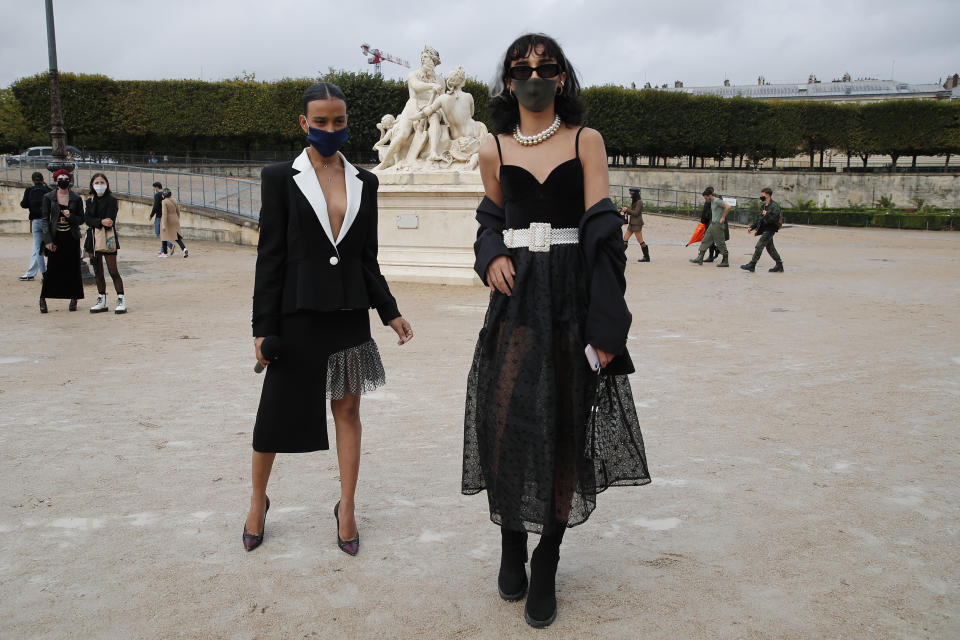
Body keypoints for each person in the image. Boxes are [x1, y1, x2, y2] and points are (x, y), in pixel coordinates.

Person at [463, 34, 650, 629]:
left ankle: (547, 560)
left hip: (569, 295)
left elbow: (600, 230)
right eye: (523, 68)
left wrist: (607, 323)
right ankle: (512, 539)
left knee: (566, 423)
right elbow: (490, 215)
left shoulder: (586, 140)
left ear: (562, 78)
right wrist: (490, 252)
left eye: (546, 67)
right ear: (509, 80)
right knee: (504, 416)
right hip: (516, 302)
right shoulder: (492, 147)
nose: (534, 76)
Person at [246, 82, 414, 556]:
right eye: (320, 122)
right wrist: (262, 328)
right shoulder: (279, 177)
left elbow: (366, 258)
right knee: (274, 415)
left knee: (348, 412)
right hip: (295, 316)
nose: (329, 129)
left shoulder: (366, 182)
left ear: (346, 122)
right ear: (304, 123)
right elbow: (270, 258)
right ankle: (258, 501)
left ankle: (346, 507)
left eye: (338, 121)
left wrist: (390, 311)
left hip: (347, 316)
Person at [39, 169, 84, 313]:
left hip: (71, 237)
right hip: (55, 236)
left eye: (66, 178)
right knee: (52, 267)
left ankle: (74, 297)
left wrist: (71, 216)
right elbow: (45, 219)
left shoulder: (76, 198)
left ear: (69, 180)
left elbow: (81, 219)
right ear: (55, 180)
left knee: (73, 267)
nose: (63, 180)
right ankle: (43, 298)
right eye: (60, 178)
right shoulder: (48, 197)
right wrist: (47, 240)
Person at [84, 173, 126, 313]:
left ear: (107, 184)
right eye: (97, 182)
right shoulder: (89, 201)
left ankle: (121, 299)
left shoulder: (112, 200)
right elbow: (87, 219)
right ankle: (101, 299)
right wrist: (100, 221)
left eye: (102, 182)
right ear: (92, 185)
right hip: (93, 239)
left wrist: (98, 221)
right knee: (98, 271)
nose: (99, 185)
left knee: (113, 270)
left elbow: (110, 220)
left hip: (108, 237)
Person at [741, 187, 784, 272]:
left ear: (768, 195)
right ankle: (779, 265)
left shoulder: (775, 206)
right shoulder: (763, 206)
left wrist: (767, 214)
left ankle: (752, 264)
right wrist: (752, 227)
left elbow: (775, 218)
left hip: (771, 229)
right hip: (764, 228)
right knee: (770, 248)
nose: (761, 196)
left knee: (759, 246)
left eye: (762, 195)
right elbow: (759, 218)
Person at [19, 171, 51, 281]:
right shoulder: (47, 190)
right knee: (51, 246)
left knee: (38, 249)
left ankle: (44, 273)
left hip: (36, 221)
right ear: (42, 179)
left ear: (33, 180)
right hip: (47, 221)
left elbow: (23, 204)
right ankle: (50, 271)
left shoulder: (29, 190)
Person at [690, 186, 731, 266]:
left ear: (709, 196)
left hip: (718, 225)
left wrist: (723, 217)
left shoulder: (717, 201)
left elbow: (728, 207)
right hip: (712, 224)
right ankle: (700, 257)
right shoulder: (712, 202)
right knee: (705, 239)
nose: (705, 200)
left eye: (706, 198)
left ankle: (725, 261)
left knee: (720, 243)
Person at [620, 187, 649, 262]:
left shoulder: (639, 202)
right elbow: (631, 212)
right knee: (625, 239)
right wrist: (625, 210)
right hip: (632, 223)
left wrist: (627, 210)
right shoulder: (634, 201)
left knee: (640, 241)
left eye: (630, 193)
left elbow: (636, 213)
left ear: (634, 194)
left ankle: (646, 257)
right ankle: (620, 255)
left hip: (637, 224)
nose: (629, 194)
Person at [159, 188, 188, 257]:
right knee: (177, 237)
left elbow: (164, 213)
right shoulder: (174, 200)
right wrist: (177, 218)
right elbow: (178, 211)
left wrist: (163, 224)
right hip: (175, 218)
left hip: (168, 219)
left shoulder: (164, 202)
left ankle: (165, 253)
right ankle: (184, 249)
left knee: (164, 236)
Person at [148, 182, 164, 256]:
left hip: (159, 216)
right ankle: (163, 250)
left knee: (158, 233)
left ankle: (170, 245)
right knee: (163, 233)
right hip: (165, 216)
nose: (154, 189)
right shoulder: (165, 194)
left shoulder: (157, 195)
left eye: (154, 188)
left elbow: (155, 206)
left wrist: (151, 215)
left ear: (157, 187)